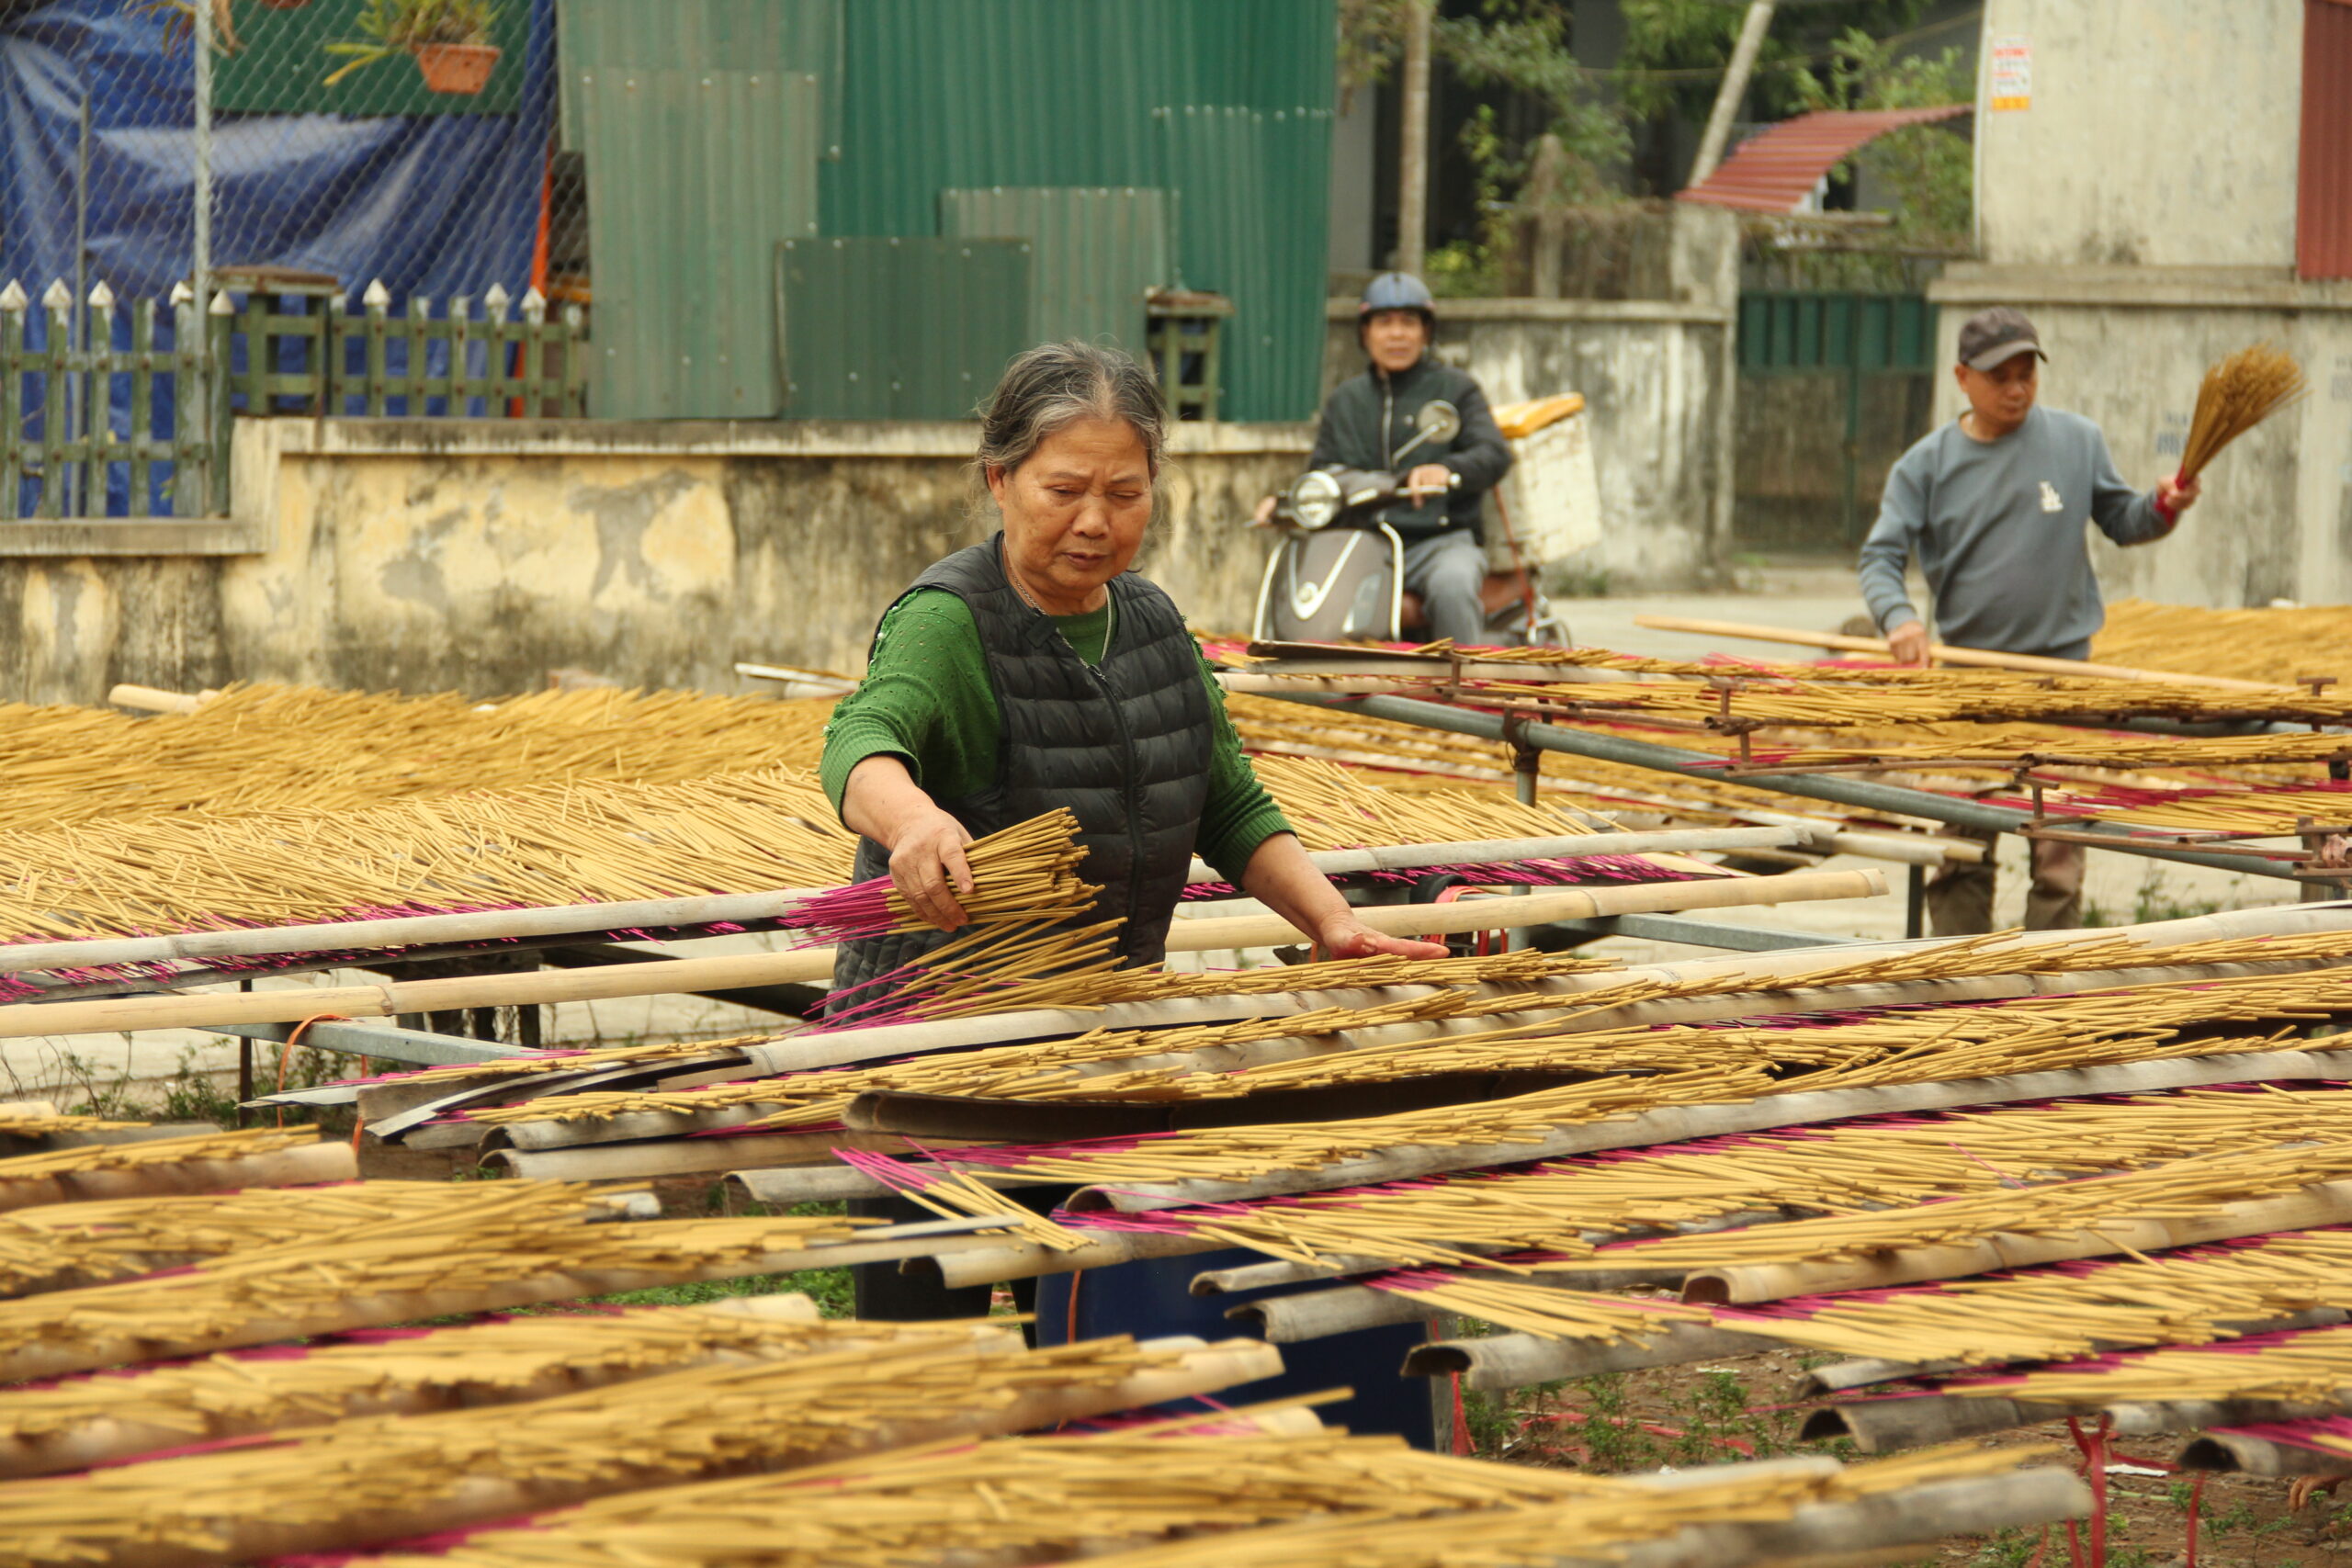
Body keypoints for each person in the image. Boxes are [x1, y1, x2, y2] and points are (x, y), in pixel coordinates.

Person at [818, 340, 1450, 1444]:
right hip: (940, 1058)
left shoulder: (1150, 625)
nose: (1095, 521)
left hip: (1091, 1046)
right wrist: (912, 819)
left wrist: (1331, 921)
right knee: (934, 1376)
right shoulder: (949, 621)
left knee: (1087, 1343)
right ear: (998, 480)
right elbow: (862, 741)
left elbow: (1228, 801)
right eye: (1064, 490)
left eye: (1124, 491)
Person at [1857, 306, 2202, 934]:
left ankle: (2049, 978)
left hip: (2062, 674)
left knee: (2059, 844)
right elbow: (1880, 557)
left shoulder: (2076, 440)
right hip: (1972, 677)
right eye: (2001, 377)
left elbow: (2124, 520)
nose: (2017, 389)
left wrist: (2163, 505)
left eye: (2027, 375)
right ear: (1963, 377)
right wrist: (1899, 619)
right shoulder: (1925, 466)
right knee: (1963, 835)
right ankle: (1958, 975)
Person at [1251, 272, 1512, 644]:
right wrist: (1284, 501)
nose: (1397, 334)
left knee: (1452, 586)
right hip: (1362, 541)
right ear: (1365, 332)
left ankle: (1464, 692)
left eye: (1409, 322)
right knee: (1303, 587)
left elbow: (1493, 454)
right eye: (1384, 323)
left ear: (1425, 331)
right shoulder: (1346, 399)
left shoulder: (1456, 389)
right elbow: (1323, 473)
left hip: (1437, 542)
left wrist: (1446, 469)